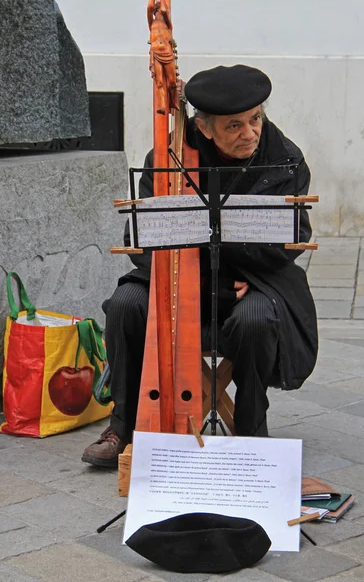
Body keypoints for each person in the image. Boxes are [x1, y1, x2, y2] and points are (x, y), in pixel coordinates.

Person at [82, 64, 318, 467]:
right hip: (177, 283)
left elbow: (287, 242)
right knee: (125, 302)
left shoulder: (284, 159)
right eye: (234, 126)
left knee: (258, 318)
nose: (250, 134)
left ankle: (250, 428)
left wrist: (239, 272)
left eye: (256, 119)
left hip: (251, 284)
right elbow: (141, 241)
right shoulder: (168, 156)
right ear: (204, 128)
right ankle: (123, 425)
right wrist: (190, 275)